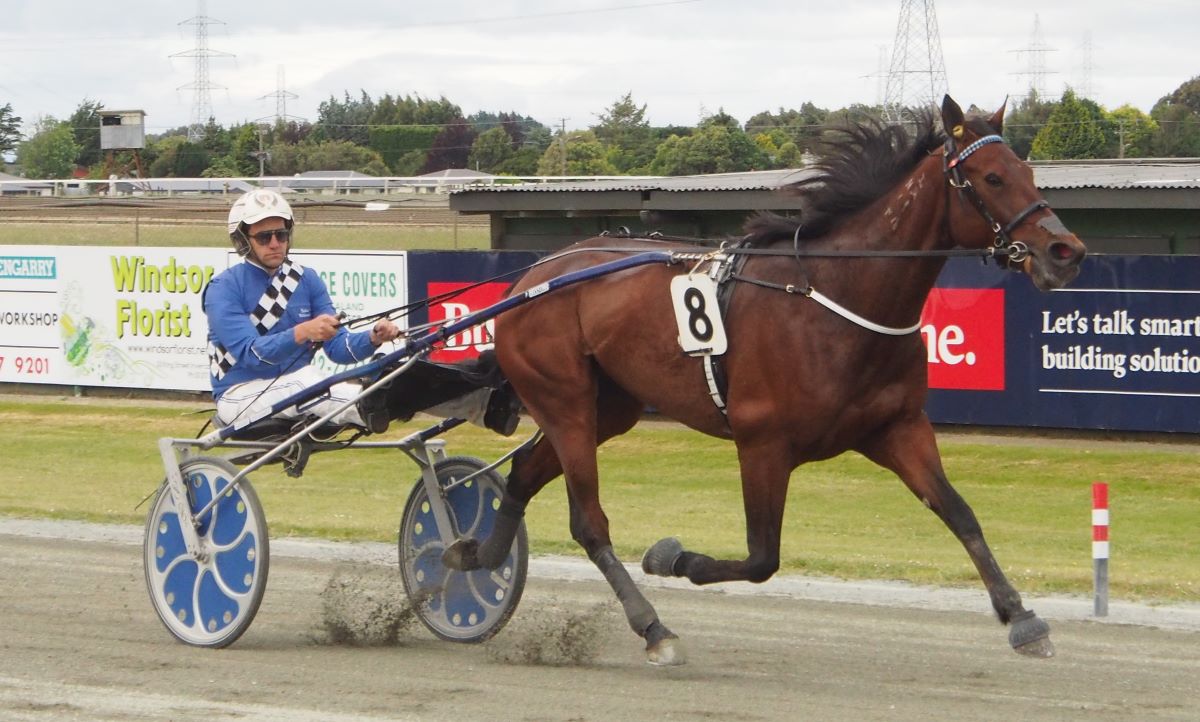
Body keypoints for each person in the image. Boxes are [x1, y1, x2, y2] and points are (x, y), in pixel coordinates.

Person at [203, 188, 520, 436]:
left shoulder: (306, 279)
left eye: (281, 235)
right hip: (240, 397)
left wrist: (372, 338)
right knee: (314, 384)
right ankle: (368, 402)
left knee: (394, 371)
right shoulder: (223, 289)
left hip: (300, 387)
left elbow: (340, 350)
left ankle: (485, 405)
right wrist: (302, 332)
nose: (275, 243)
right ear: (243, 241)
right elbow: (251, 355)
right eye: (264, 237)